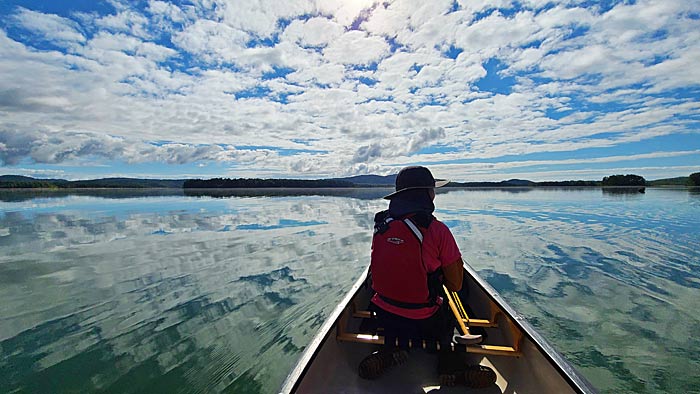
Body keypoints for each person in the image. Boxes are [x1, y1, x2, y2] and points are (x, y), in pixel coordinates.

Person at [358, 166, 495, 387]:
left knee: (398, 311)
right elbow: (455, 283)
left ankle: (391, 351)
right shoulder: (437, 230)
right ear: (427, 193)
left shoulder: (381, 224)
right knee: (456, 301)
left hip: (383, 316)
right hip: (425, 322)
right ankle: (451, 365)